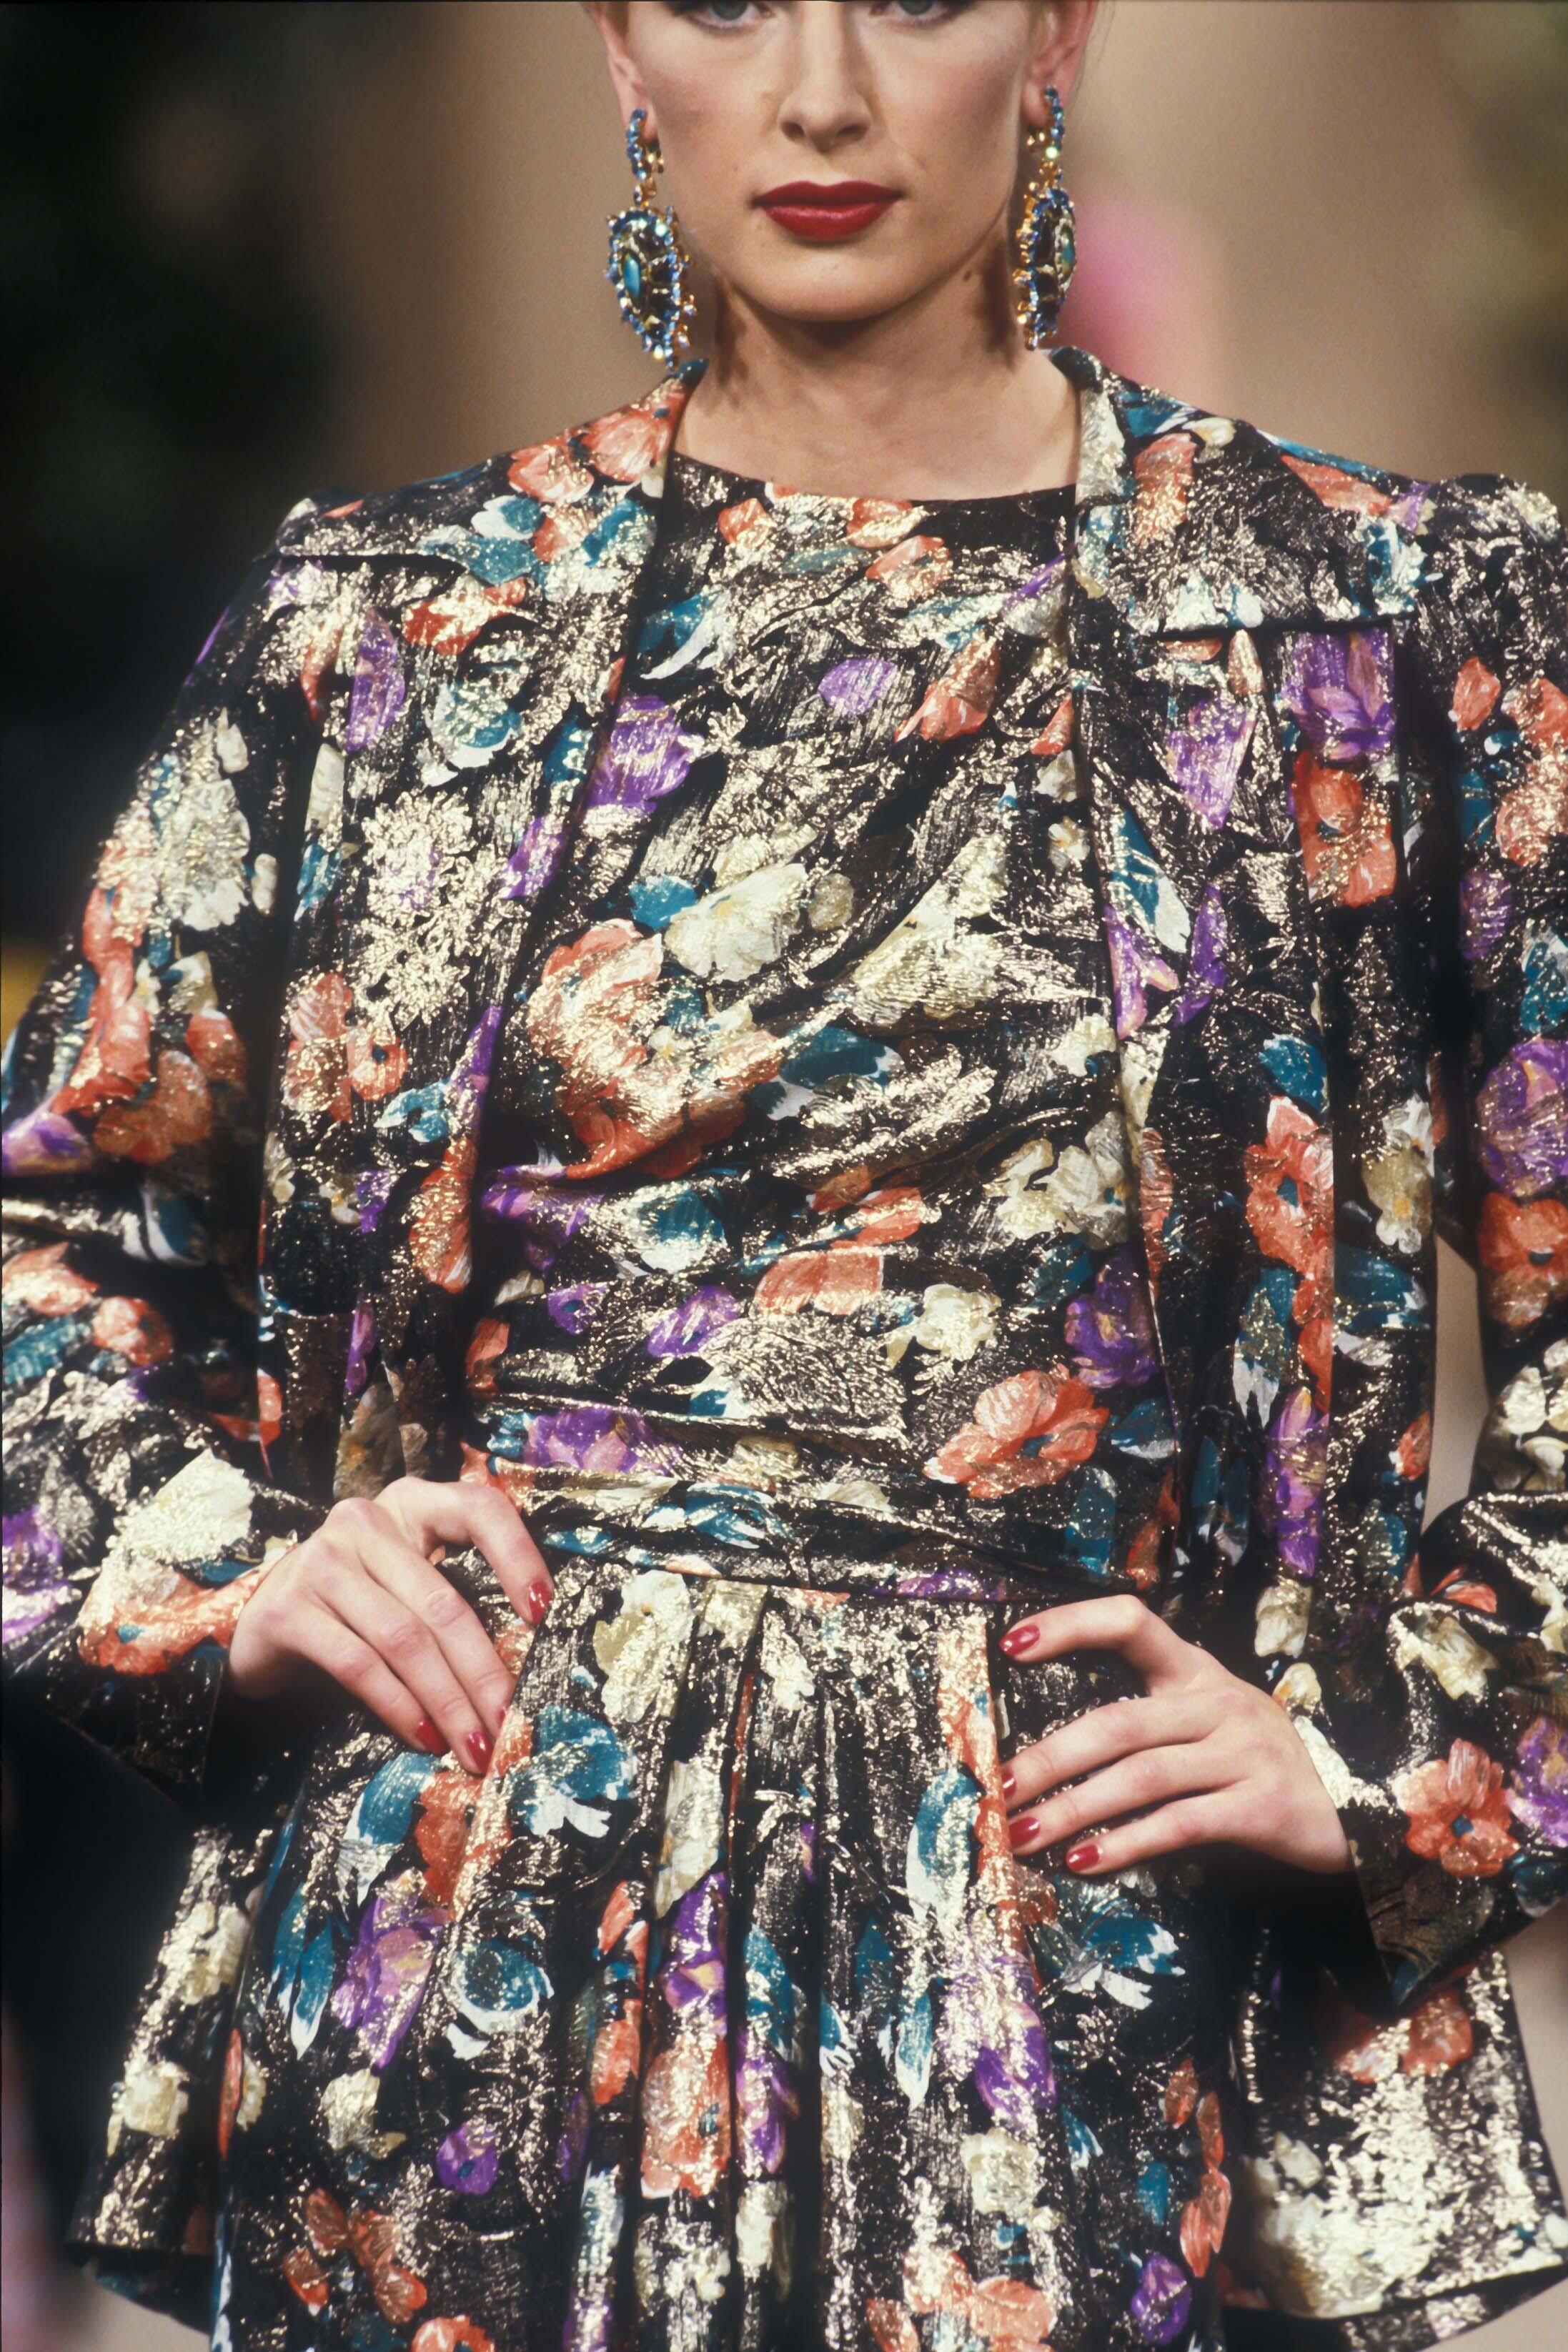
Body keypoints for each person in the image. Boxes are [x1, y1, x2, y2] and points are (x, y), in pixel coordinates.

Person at [2, 2, 1564, 2347]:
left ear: (1055, 30)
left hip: (1071, 1991)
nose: (819, 89)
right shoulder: (390, 631)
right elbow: (49, 1239)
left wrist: (1388, 1743)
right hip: (468, 1982)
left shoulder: (1378, 625)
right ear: (621, 49)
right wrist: (231, 1574)